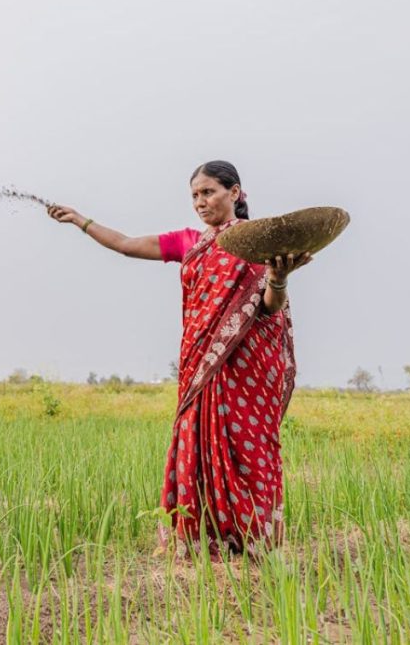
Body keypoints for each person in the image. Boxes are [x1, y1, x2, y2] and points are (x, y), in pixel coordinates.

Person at [47, 160, 311, 557]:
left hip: (243, 369)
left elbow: (269, 309)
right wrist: (80, 221)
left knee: (247, 447)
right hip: (200, 369)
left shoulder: (256, 242)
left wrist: (279, 278)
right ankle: (200, 543)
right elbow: (125, 244)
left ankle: (253, 544)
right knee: (200, 443)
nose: (200, 202)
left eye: (208, 192)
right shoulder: (191, 242)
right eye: (194, 195)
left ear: (234, 193)